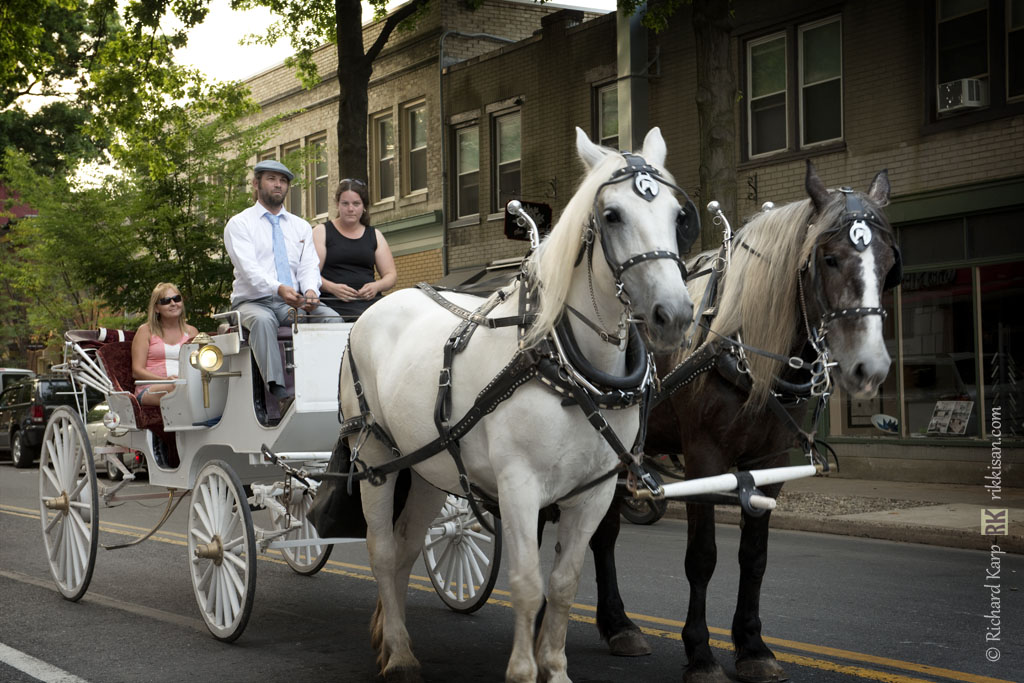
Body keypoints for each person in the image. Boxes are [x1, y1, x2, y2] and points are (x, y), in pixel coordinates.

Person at [224, 159, 340, 407]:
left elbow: (309, 265)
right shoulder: (239, 223)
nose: (278, 185)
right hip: (253, 301)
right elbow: (249, 269)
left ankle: (330, 386)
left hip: (294, 301)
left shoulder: (300, 226)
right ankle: (280, 394)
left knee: (332, 319)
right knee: (264, 321)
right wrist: (278, 288)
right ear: (256, 184)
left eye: (283, 181)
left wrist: (310, 290)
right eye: (271, 179)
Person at [312, 179, 397, 320]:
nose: (350, 209)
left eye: (356, 204)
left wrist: (376, 287)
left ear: (364, 207)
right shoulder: (321, 232)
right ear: (337, 205)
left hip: (370, 304)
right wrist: (332, 287)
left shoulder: (375, 235)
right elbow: (311, 273)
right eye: (345, 203)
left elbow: (391, 275)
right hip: (333, 303)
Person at [132, 283, 199, 406]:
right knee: (177, 387)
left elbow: (198, 366)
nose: (173, 303)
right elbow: (137, 371)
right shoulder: (146, 331)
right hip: (151, 389)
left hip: (186, 385)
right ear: (156, 308)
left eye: (177, 299)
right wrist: (165, 380)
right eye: (166, 301)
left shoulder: (192, 332)